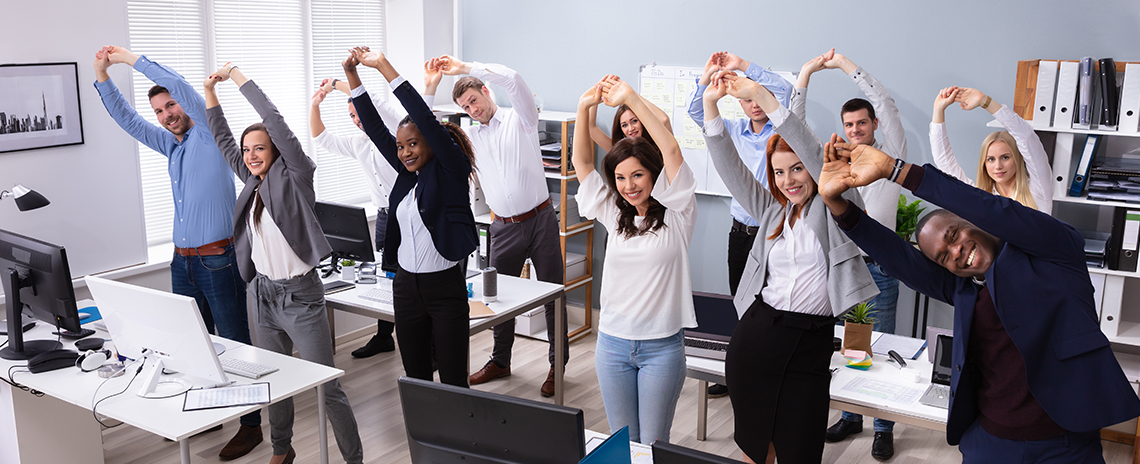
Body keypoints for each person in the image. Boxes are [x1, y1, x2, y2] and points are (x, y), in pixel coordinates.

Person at [817, 140, 1140, 464]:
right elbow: (903, 261)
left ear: (974, 221)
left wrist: (896, 171)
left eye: (955, 234)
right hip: (990, 443)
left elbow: (998, 211)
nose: (956, 251)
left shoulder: (1055, 251)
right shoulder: (965, 289)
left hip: (1066, 443)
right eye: (944, 256)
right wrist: (839, 207)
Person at [92, 46, 262, 461]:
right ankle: (209, 412)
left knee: (235, 342)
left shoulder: (208, 133)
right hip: (182, 262)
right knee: (191, 345)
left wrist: (131, 60)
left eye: (171, 105)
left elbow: (185, 89)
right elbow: (127, 120)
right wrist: (102, 75)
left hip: (217, 259)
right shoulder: (172, 145)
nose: (168, 114)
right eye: (161, 111)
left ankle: (251, 426)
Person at [702, 72, 877, 464]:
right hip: (758, 339)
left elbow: (812, 153)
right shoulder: (771, 211)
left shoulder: (835, 206)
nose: (788, 180)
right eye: (779, 172)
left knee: (799, 452)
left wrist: (761, 96)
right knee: (755, 450)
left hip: (810, 345)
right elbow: (729, 164)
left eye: (797, 168)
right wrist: (712, 105)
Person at [204, 62, 364, 464]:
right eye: (248, 150)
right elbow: (223, 140)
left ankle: (354, 459)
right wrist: (210, 95)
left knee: (327, 386)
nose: (252, 155)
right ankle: (282, 449)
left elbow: (274, 120)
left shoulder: (296, 175)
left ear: (275, 148)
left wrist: (237, 77)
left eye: (260, 147)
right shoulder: (252, 182)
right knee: (272, 380)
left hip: (300, 296)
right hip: (261, 293)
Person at [429, 54, 567, 397]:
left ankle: (557, 365)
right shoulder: (470, 139)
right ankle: (500, 360)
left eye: (474, 100)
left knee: (553, 295)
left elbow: (515, 79)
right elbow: (428, 130)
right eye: (465, 106)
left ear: (486, 92)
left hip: (541, 220)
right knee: (499, 297)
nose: (472, 109)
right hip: (502, 227)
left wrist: (464, 68)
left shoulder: (521, 118)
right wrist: (431, 86)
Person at [793, 49, 905, 459]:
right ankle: (851, 416)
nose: (856, 130)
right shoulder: (833, 163)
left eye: (862, 123)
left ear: (873, 125)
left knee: (880, 345)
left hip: (882, 269)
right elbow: (795, 129)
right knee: (847, 348)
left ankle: (883, 426)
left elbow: (887, 104)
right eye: (849, 125)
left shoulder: (891, 154)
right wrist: (805, 74)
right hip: (843, 265)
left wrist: (844, 66)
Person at [344, 47, 478, 388]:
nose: (405, 152)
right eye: (401, 146)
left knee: (452, 380)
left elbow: (423, 117)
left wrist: (383, 67)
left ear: (432, 144)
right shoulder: (406, 176)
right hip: (405, 289)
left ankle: (458, 440)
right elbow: (374, 127)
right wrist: (352, 77)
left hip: (443, 289)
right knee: (416, 378)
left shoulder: (450, 170)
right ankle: (423, 442)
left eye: (413, 144)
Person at [573, 75, 697, 445]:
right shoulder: (615, 211)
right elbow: (581, 161)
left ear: (654, 175)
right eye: (621, 178)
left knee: (653, 443)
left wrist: (630, 98)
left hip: (661, 346)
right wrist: (583, 109)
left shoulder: (678, 212)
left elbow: (671, 149)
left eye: (638, 175)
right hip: (611, 344)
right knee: (622, 441)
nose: (629, 186)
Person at [309, 60, 442, 358]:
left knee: (416, 276)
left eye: (359, 113)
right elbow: (321, 138)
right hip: (383, 217)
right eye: (352, 116)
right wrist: (316, 104)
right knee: (389, 277)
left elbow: (373, 101)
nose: (358, 120)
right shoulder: (359, 144)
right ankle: (384, 336)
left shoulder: (397, 140)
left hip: (410, 215)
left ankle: (432, 344)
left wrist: (335, 85)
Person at [686, 51, 792, 399]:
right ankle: (738, 372)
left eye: (757, 96)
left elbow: (786, 90)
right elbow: (697, 111)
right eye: (746, 99)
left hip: (774, 233)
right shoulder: (730, 130)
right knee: (740, 303)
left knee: (773, 305)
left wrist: (744, 67)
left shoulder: (782, 129)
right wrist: (707, 78)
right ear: (740, 104)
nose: (754, 104)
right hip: (740, 232)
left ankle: (770, 374)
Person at [931, 86, 1053, 213]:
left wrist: (985, 101)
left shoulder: (1038, 189)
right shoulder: (981, 198)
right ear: (984, 163)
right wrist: (938, 110)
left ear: (1017, 158)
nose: (998, 166)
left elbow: (1027, 137)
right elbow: (945, 163)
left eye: (1005, 157)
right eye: (990, 159)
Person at [585, 94, 671, 153]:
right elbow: (591, 128)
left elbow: (664, 119)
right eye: (624, 125)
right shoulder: (620, 151)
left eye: (634, 121)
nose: (630, 128)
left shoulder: (659, 145)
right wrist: (597, 96)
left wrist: (630, 95)